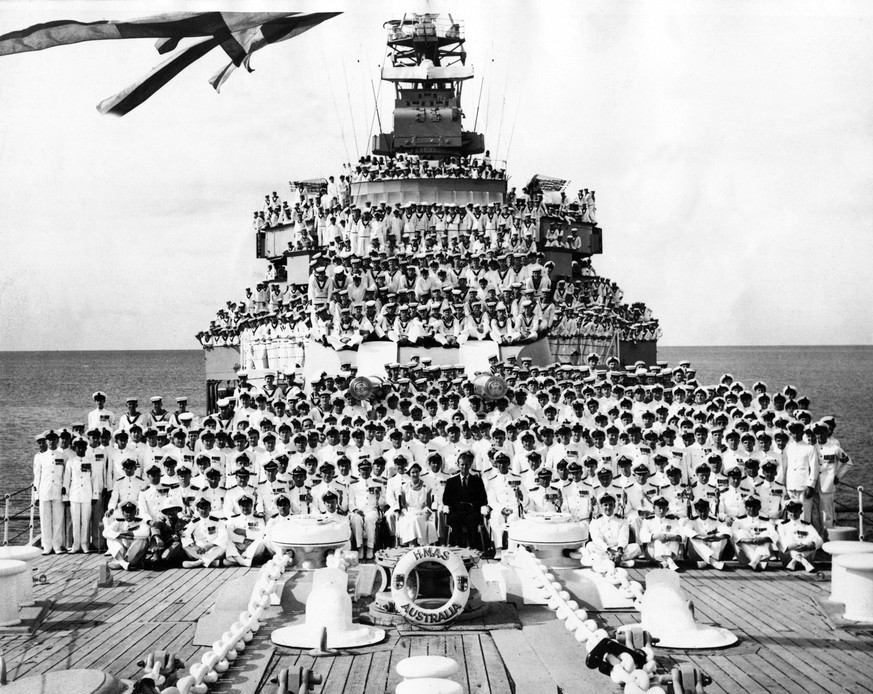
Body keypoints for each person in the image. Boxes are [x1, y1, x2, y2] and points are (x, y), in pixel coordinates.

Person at [442, 451, 489, 550]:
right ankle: (458, 547)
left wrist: (474, 506)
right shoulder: (451, 482)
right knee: (455, 519)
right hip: (457, 510)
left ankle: (473, 548)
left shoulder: (477, 481)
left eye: (466, 464)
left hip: (472, 511)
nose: (464, 467)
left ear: (470, 464)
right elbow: (446, 499)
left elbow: (483, 499)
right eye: (462, 464)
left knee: (472, 520)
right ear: (458, 465)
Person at [586, 494, 641, 568]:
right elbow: (597, 539)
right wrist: (608, 550)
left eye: (610, 505)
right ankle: (620, 562)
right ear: (601, 506)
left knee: (636, 548)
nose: (608, 507)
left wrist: (619, 552)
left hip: (619, 549)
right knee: (590, 546)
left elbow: (623, 537)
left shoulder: (622, 520)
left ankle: (608, 561)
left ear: (614, 506)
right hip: (603, 549)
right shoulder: (596, 520)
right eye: (605, 505)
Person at [33, 430, 66, 554]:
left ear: (58, 440)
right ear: (46, 441)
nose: (51, 441)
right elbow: (37, 477)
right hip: (44, 492)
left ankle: (57, 546)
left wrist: (65, 493)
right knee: (45, 520)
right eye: (49, 439)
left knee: (58, 520)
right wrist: (36, 496)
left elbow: (65, 477)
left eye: (54, 439)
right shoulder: (40, 457)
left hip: (58, 492)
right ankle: (46, 546)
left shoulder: (63, 456)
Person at [731, 497, 778, 571]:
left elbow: (774, 535)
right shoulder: (739, 521)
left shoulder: (766, 521)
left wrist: (763, 539)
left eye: (754, 506)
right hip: (745, 556)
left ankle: (754, 562)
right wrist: (749, 541)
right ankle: (756, 561)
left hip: (762, 554)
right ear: (746, 507)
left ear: (759, 507)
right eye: (749, 506)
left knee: (766, 534)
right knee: (741, 532)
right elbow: (733, 536)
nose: (752, 509)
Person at [396, 463, 437, 547]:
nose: (415, 474)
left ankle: (418, 544)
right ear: (409, 474)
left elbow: (428, 505)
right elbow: (403, 505)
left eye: (417, 472)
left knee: (415, 519)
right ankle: (412, 545)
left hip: (423, 513)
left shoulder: (426, 486)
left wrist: (421, 512)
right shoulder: (404, 487)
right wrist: (407, 513)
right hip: (408, 513)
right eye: (413, 472)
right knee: (410, 520)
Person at [639, 496, 684, 571]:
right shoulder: (648, 521)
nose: (661, 510)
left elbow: (682, 535)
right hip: (652, 551)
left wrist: (673, 537)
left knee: (674, 537)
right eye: (659, 508)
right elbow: (642, 536)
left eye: (664, 508)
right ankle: (670, 562)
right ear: (653, 508)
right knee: (659, 538)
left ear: (667, 509)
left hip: (671, 550)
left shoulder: (672, 520)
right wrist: (655, 536)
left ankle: (664, 563)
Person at [684, 498, 730, 570]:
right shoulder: (693, 521)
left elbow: (726, 529)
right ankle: (713, 561)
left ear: (708, 509)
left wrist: (718, 538)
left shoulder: (713, 521)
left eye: (705, 511)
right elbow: (687, 530)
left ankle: (708, 561)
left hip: (713, 550)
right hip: (698, 552)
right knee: (693, 538)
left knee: (722, 536)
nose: (703, 514)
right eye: (700, 511)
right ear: (696, 511)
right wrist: (702, 537)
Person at [102, 501, 150, 570]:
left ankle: (121, 562)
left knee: (143, 539)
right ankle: (123, 563)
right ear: (122, 513)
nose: (128, 514)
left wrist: (131, 534)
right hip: (123, 550)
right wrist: (119, 535)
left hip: (134, 552)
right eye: (126, 512)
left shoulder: (140, 521)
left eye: (131, 512)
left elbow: (146, 532)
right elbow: (105, 532)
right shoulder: (119, 521)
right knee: (110, 538)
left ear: (135, 512)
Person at [777, 500, 823, 572]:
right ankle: (805, 563)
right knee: (788, 538)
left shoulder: (807, 525)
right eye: (791, 511)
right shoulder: (782, 525)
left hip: (805, 554)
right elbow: (782, 542)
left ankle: (794, 561)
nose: (793, 513)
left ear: (801, 512)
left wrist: (807, 546)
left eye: (796, 511)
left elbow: (819, 539)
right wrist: (796, 545)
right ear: (787, 512)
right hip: (788, 558)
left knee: (811, 538)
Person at [182, 498, 229, 568]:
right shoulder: (194, 522)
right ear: (197, 509)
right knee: (185, 545)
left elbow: (223, 534)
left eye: (206, 508)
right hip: (199, 550)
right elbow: (185, 535)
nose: (204, 511)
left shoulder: (217, 521)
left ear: (210, 509)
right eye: (201, 508)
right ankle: (211, 561)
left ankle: (198, 562)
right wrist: (195, 547)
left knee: (222, 546)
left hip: (213, 547)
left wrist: (210, 546)